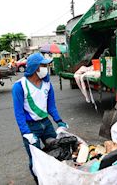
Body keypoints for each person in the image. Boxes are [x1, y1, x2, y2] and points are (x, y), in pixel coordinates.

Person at [12, 53, 68, 182]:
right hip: (31, 128)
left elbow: (51, 107)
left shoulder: (47, 84)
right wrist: (26, 133)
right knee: (35, 159)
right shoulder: (19, 86)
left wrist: (60, 122)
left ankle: (54, 179)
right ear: (35, 67)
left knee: (57, 152)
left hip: (46, 124)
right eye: (43, 65)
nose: (46, 68)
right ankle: (39, 181)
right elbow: (18, 113)